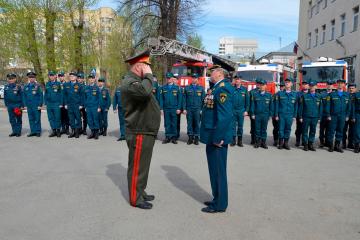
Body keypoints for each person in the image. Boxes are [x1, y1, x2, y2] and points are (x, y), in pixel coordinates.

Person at [121, 50, 161, 210]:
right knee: (137, 166)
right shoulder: (130, 82)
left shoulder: (138, 81)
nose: (149, 69)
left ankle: (140, 191)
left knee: (143, 166)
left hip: (145, 130)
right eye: (146, 66)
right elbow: (145, 92)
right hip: (139, 130)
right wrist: (149, 76)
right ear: (139, 66)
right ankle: (135, 198)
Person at [200, 67, 233, 213]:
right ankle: (216, 198)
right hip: (212, 136)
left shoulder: (222, 89)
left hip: (217, 138)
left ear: (219, 74)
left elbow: (224, 116)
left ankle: (220, 205)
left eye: (212, 72)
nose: (209, 74)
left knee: (218, 172)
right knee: (214, 171)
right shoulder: (216, 88)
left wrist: (218, 137)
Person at [325, 79, 351, 153]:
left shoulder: (347, 95)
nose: (340, 85)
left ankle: (337, 145)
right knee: (331, 131)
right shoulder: (332, 94)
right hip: (333, 116)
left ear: (344, 85)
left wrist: (347, 115)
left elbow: (349, 106)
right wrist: (328, 115)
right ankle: (330, 146)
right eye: (339, 83)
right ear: (337, 85)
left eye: (341, 83)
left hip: (342, 116)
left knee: (340, 131)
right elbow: (328, 106)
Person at [298, 81, 322, 151]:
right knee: (305, 131)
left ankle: (310, 144)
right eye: (311, 86)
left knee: (313, 131)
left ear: (316, 87)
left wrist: (319, 117)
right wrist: (300, 117)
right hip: (306, 117)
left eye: (313, 86)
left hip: (315, 117)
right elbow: (301, 107)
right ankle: (305, 144)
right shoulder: (304, 96)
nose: (312, 87)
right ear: (309, 87)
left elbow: (321, 107)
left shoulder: (319, 96)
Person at [274, 78, 297, 150]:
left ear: (291, 84)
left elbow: (296, 106)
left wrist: (294, 116)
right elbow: (276, 105)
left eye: (288, 82)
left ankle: (286, 143)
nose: (287, 83)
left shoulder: (295, 94)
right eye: (286, 82)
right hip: (281, 114)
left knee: (288, 129)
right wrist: (276, 115)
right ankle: (281, 143)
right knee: (281, 129)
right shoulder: (280, 93)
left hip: (290, 115)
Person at [159, 72, 182, 144]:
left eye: (169, 78)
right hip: (166, 108)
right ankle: (167, 136)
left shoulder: (177, 88)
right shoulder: (163, 88)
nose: (168, 79)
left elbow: (180, 99)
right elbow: (161, 99)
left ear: (172, 78)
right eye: (167, 78)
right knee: (167, 123)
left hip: (174, 108)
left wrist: (179, 108)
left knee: (174, 123)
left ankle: (174, 137)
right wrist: (161, 109)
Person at [183, 73, 205, 145]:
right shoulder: (187, 88)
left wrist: (202, 109)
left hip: (198, 109)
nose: (194, 79)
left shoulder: (201, 88)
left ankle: (196, 138)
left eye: (195, 78)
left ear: (197, 79)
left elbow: (203, 100)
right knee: (189, 123)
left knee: (197, 123)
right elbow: (184, 99)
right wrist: (184, 109)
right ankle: (190, 137)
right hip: (189, 109)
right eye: (192, 78)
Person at [250, 79, 273, 149]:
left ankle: (263, 142)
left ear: (266, 86)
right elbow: (253, 105)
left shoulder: (269, 95)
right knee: (257, 129)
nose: (262, 86)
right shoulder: (255, 94)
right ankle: (257, 142)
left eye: (263, 85)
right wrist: (252, 113)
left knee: (264, 129)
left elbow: (271, 106)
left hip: (265, 115)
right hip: (257, 115)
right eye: (261, 85)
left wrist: (270, 115)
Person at [63, 71, 84, 138]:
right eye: (71, 76)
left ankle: (77, 132)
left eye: (73, 76)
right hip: (69, 105)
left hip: (77, 105)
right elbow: (65, 95)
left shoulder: (79, 85)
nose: (72, 77)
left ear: (76, 77)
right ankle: (73, 131)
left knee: (78, 118)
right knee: (71, 119)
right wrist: (65, 104)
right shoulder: (66, 85)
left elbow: (82, 96)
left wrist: (81, 104)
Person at [230, 75, 249, 147]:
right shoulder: (232, 89)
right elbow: (229, 101)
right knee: (233, 126)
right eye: (236, 79)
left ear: (241, 80)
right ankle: (233, 140)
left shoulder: (244, 89)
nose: (237, 81)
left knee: (240, 126)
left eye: (238, 79)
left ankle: (240, 141)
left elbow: (247, 101)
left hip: (241, 110)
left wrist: (246, 110)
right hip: (233, 110)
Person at [23, 71, 43, 137]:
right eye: (30, 77)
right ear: (28, 78)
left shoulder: (38, 86)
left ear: (35, 78)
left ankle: (38, 131)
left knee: (37, 119)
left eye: (33, 77)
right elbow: (24, 96)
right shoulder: (26, 86)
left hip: (36, 105)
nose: (31, 78)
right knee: (31, 119)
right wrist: (25, 105)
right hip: (29, 106)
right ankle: (33, 131)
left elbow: (41, 96)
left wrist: (40, 105)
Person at [44, 70, 63, 138]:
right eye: (50, 75)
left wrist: (61, 103)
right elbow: (45, 94)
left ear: (55, 76)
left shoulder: (58, 84)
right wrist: (45, 103)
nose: (51, 77)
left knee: (57, 117)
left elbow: (61, 94)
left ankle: (58, 130)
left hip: (56, 103)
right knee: (51, 118)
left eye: (52, 75)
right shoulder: (47, 84)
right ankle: (54, 130)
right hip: (49, 104)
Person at [84, 74, 101, 139]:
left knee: (95, 119)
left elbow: (99, 98)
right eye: (90, 78)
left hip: (95, 106)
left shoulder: (97, 88)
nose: (91, 79)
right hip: (88, 107)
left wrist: (99, 107)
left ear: (94, 79)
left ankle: (96, 133)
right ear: (88, 79)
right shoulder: (86, 88)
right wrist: (85, 106)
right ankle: (92, 132)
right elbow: (84, 98)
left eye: (92, 78)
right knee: (89, 120)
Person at [319, 80, 334, 148]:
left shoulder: (334, 94)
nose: (329, 86)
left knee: (329, 129)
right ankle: (322, 142)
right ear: (326, 85)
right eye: (328, 84)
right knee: (322, 129)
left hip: (332, 115)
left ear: (332, 86)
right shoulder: (322, 94)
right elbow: (320, 105)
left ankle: (328, 142)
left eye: (330, 84)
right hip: (323, 115)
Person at [295, 80, 310, 147]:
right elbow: (296, 104)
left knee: (306, 129)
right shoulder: (298, 94)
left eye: (306, 84)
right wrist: (297, 114)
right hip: (300, 114)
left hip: (308, 114)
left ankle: (304, 142)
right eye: (303, 84)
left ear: (308, 86)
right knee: (299, 129)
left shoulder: (311, 94)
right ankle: (298, 141)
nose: (304, 85)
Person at [342, 83, 357, 149]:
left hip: (353, 115)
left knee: (352, 130)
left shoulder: (357, 96)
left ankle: (350, 143)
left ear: (355, 89)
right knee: (343, 130)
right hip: (345, 115)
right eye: (350, 88)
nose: (351, 89)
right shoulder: (345, 95)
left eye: (352, 88)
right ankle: (343, 144)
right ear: (348, 89)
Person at [272, 81, 285, 146]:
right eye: (281, 86)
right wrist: (274, 114)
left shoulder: (286, 95)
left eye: (283, 86)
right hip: (275, 114)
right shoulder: (276, 94)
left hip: (282, 114)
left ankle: (282, 141)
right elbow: (273, 104)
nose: (282, 87)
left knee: (282, 129)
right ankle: (275, 140)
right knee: (276, 128)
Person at [351, 85, 360, 153]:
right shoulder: (356, 95)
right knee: (357, 131)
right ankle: (357, 145)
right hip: (357, 114)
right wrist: (353, 116)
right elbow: (353, 106)